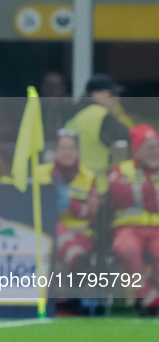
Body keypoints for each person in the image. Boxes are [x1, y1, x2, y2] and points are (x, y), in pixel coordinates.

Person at [109, 124, 159, 315]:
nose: (155, 152)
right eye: (150, 148)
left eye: (157, 147)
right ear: (136, 151)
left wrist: (138, 192)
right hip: (128, 229)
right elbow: (120, 196)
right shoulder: (121, 169)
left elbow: (134, 196)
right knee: (127, 248)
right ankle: (147, 295)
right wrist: (151, 191)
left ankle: (154, 292)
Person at [36, 130, 98, 268]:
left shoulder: (88, 177)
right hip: (45, 232)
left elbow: (92, 212)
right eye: (62, 148)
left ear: (78, 152)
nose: (67, 152)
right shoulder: (39, 173)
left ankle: (75, 258)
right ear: (55, 152)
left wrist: (71, 204)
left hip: (80, 235)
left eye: (72, 148)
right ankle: (75, 257)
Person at [64, 74, 132, 195]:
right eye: (112, 95)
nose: (117, 99)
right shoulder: (100, 115)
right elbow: (130, 139)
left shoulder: (75, 115)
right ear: (97, 95)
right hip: (99, 188)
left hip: (77, 185)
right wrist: (118, 113)